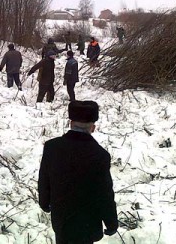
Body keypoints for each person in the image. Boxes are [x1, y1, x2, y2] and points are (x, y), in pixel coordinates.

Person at [38, 100, 119, 244]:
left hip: (61, 220)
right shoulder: (100, 155)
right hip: (87, 225)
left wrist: (44, 202)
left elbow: (44, 178)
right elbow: (104, 193)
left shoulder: (52, 147)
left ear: (70, 123)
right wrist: (111, 222)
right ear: (93, 127)